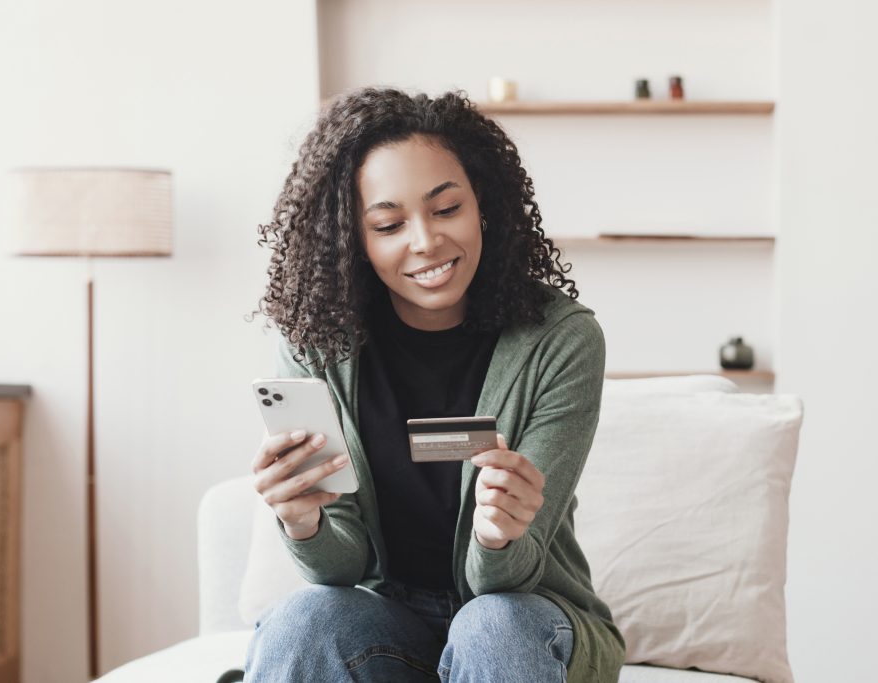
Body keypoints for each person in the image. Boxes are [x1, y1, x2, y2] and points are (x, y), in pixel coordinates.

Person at [244, 87, 625, 682]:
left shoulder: (561, 340)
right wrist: (304, 523)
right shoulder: (318, 344)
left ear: (485, 207)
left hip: (524, 616)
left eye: (447, 210)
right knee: (303, 620)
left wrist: (500, 535)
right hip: (390, 619)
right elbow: (341, 569)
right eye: (389, 223)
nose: (425, 241)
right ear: (354, 241)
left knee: (490, 624)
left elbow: (504, 582)